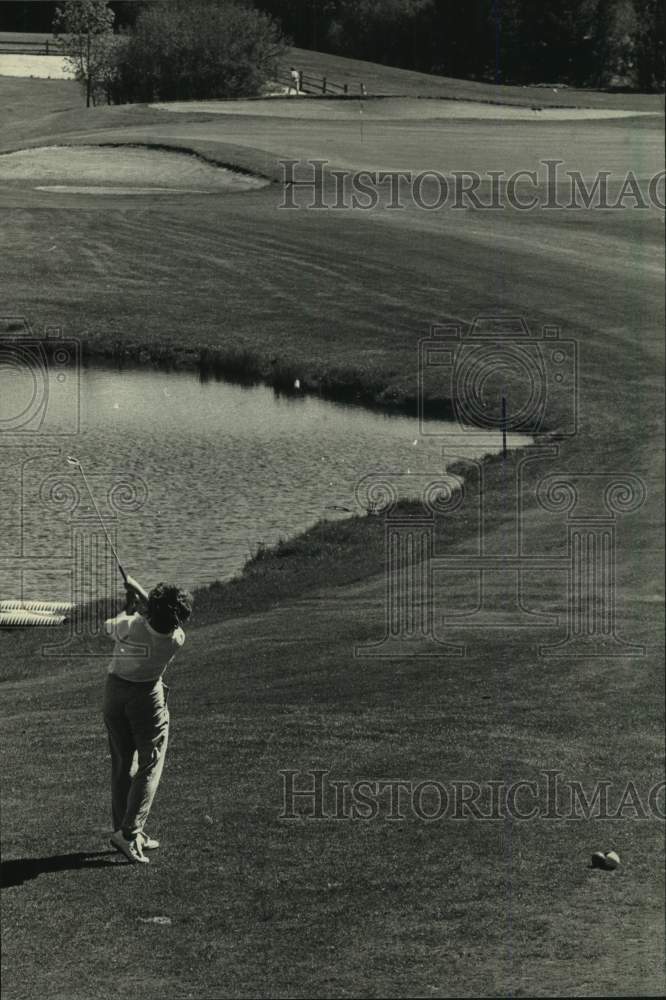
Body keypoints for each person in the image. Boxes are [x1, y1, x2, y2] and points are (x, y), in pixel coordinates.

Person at [103, 577, 193, 863]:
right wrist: (139, 593)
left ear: (150, 608)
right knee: (150, 762)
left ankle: (125, 829)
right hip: (147, 698)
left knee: (123, 763)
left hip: (115, 694)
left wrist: (129, 604)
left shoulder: (130, 625)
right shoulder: (176, 638)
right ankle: (129, 833)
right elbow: (161, 617)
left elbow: (112, 626)